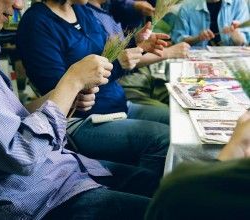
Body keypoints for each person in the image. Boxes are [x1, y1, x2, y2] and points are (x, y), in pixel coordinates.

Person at [0, 0, 163, 219]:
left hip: (60, 169)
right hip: (38, 200)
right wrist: (72, 82)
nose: (18, 5)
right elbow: (22, 153)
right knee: (170, 203)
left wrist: (69, 96)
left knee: (164, 185)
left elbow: (11, 118)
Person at [17, 0, 171, 177]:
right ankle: (147, 195)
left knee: (177, 120)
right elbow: (59, 91)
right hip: (80, 120)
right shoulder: (36, 23)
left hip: (117, 105)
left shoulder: (83, 12)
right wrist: (119, 64)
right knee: (162, 139)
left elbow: (104, 55)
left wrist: (136, 45)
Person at [145, 111, 250, 220]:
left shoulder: (183, 188)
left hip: (176, 198)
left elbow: (182, 189)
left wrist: (235, 146)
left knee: (165, 141)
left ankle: (150, 189)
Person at [172, 0, 250, 47]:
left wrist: (237, 35)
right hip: (198, 60)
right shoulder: (187, 7)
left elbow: (244, 43)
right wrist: (197, 38)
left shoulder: (238, 4)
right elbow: (178, 41)